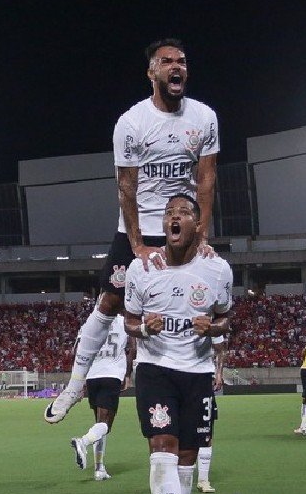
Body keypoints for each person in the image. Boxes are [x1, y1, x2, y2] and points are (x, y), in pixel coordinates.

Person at [45, 39, 220, 424]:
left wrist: (202, 232)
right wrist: (137, 243)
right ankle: (76, 383)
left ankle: (196, 384)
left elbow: (206, 177)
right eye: (167, 61)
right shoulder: (132, 122)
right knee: (108, 303)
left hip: (183, 227)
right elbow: (126, 186)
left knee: (196, 304)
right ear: (152, 72)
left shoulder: (204, 117)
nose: (177, 67)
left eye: (182, 61)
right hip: (138, 229)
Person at [123, 193, 232, 494]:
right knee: (163, 449)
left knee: (187, 461)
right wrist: (142, 328)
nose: (174, 216)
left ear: (197, 225)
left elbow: (225, 321)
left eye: (183, 212)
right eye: (168, 212)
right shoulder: (142, 268)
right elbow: (128, 323)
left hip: (197, 373)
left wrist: (213, 327)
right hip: (156, 369)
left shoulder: (218, 270)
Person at [70, 314, 130, 481]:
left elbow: (77, 352)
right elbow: (132, 348)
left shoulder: (90, 321)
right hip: (111, 374)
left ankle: (99, 468)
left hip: (92, 376)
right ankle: (83, 441)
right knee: (105, 425)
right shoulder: (124, 321)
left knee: (99, 424)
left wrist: (78, 381)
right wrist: (128, 374)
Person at [196, 334, 225, 492]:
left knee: (206, 432)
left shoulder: (209, 322)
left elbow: (220, 349)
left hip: (203, 381)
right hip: (180, 381)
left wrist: (219, 372)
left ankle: (203, 479)